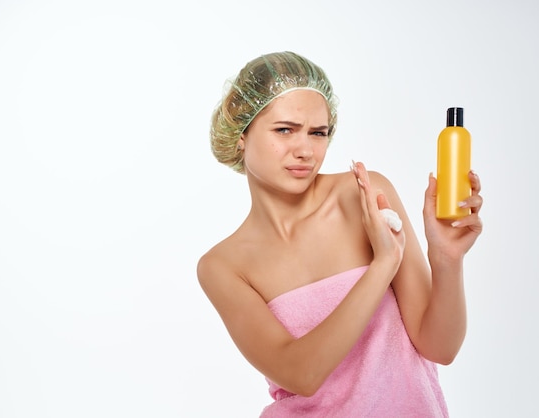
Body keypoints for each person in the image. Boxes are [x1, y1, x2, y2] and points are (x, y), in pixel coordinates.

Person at [197, 51, 483, 417]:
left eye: (318, 133)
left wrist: (446, 259)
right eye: (284, 129)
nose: (305, 150)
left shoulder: (364, 196)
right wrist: (382, 266)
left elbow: (440, 348)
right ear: (240, 134)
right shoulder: (223, 266)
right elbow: (302, 374)